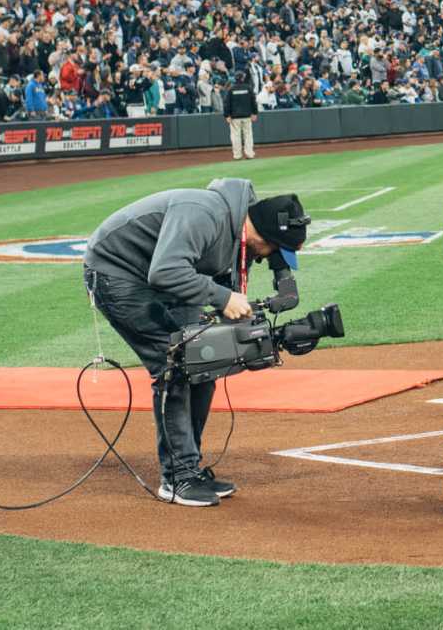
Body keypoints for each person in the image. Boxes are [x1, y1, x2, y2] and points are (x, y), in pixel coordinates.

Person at [83, 177, 308, 508]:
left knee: (206, 360)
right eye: (273, 249)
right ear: (258, 236)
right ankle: (176, 477)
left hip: (168, 279)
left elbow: (234, 291)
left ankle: (190, 465)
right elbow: (165, 271)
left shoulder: (243, 232)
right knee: (175, 364)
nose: (268, 258)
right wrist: (222, 297)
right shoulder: (204, 215)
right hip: (119, 274)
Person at [224, 57, 259, 160]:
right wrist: (254, 113)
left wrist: (227, 115)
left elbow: (227, 103)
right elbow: (253, 101)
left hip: (235, 117)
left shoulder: (231, 89)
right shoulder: (248, 88)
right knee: (248, 135)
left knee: (235, 136)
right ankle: (249, 153)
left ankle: (237, 155)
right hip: (247, 115)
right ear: (243, 78)